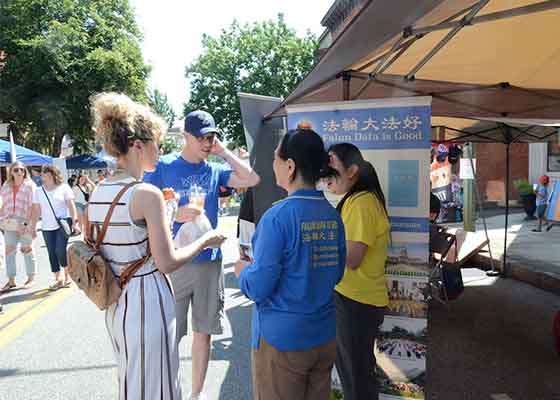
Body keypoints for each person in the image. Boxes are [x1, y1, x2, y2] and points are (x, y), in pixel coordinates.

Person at [88, 92, 225, 400]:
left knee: (131, 380)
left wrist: (170, 213)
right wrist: (206, 239)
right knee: (159, 386)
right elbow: (167, 262)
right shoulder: (145, 193)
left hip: (115, 300)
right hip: (147, 299)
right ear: (138, 145)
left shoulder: (99, 190)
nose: (160, 151)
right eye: (158, 144)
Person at [144, 109, 260, 399]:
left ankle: (195, 394)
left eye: (212, 136)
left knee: (203, 333)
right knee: (170, 334)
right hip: (175, 261)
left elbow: (252, 179)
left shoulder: (214, 169)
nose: (208, 142)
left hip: (209, 261)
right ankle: (170, 391)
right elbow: (141, 210)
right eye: (202, 137)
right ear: (185, 136)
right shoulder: (164, 166)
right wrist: (173, 215)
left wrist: (224, 151)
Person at [234, 128, 346, 400]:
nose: (273, 164)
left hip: (283, 343)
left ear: (290, 165)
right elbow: (337, 272)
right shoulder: (333, 216)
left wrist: (242, 272)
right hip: (323, 336)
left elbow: (258, 287)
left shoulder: (277, 217)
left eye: (276, 158)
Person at [327, 142, 391, 400]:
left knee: (356, 378)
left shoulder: (362, 203)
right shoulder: (357, 200)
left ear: (352, 170)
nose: (326, 172)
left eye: (331, 164)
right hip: (356, 300)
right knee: (357, 374)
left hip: (356, 301)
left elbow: (352, 258)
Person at [30, 165, 80, 291]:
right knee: (51, 253)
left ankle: (67, 275)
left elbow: (71, 205)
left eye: (47, 174)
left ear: (53, 175)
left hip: (62, 224)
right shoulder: (38, 191)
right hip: (46, 226)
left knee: (60, 250)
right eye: (43, 174)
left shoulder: (63, 188)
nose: (44, 176)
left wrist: (75, 222)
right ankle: (57, 279)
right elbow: (36, 210)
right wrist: (33, 226)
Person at [0, 162, 37, 291]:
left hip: (25, 221)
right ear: (11, 172)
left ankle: (30, 278)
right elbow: (2, 204)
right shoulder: (5, 185)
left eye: (22, 169)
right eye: (16, 170)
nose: (19, 172)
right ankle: (11, 280)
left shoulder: (30, 185)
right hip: (9, 222)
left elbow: (34, 205)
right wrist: (2, 218)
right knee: (9, 251)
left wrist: (26, 223)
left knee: (27, 249)